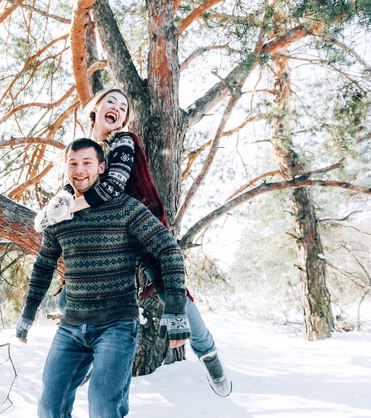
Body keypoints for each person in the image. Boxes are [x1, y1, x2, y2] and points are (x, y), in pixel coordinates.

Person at [35, 88, 232, 397]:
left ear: (124, 119)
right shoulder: (81, 149)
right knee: (66, 301)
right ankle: (88, 357)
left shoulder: (123, 142)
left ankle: (208, 352)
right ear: (96, 108)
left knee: (172, 295)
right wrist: (53, 211)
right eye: (110, 101)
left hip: (138, 225)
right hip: (104, 236)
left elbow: (113, 186)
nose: (116, 107)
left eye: (123, 106)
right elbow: (68, 189)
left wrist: (69, 209)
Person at [16, 138, 190, 418]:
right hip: (71, 327)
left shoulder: (125, 208)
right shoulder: (58, 215)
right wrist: (28, 313)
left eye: (87, 162)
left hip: (116, 326)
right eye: (73, 163)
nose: (79, 169)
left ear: (101, 166)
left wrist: (176, 310)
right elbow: (43, 265)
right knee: (49, 409)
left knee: (104, 409)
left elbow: (169, 250)